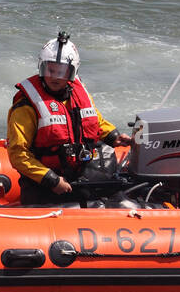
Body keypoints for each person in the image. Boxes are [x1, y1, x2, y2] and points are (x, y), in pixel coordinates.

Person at [7, 32, 133, 205]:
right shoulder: (26, 105)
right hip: (43, 186)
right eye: (50, 69)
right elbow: (18, 154)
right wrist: (51, 180)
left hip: (78, 178)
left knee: (119, 199)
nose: (55, 77)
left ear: (72, 72)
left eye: (62, 71)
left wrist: (113, 136)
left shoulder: (78, 93)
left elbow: (94, 119)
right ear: (42, 67)